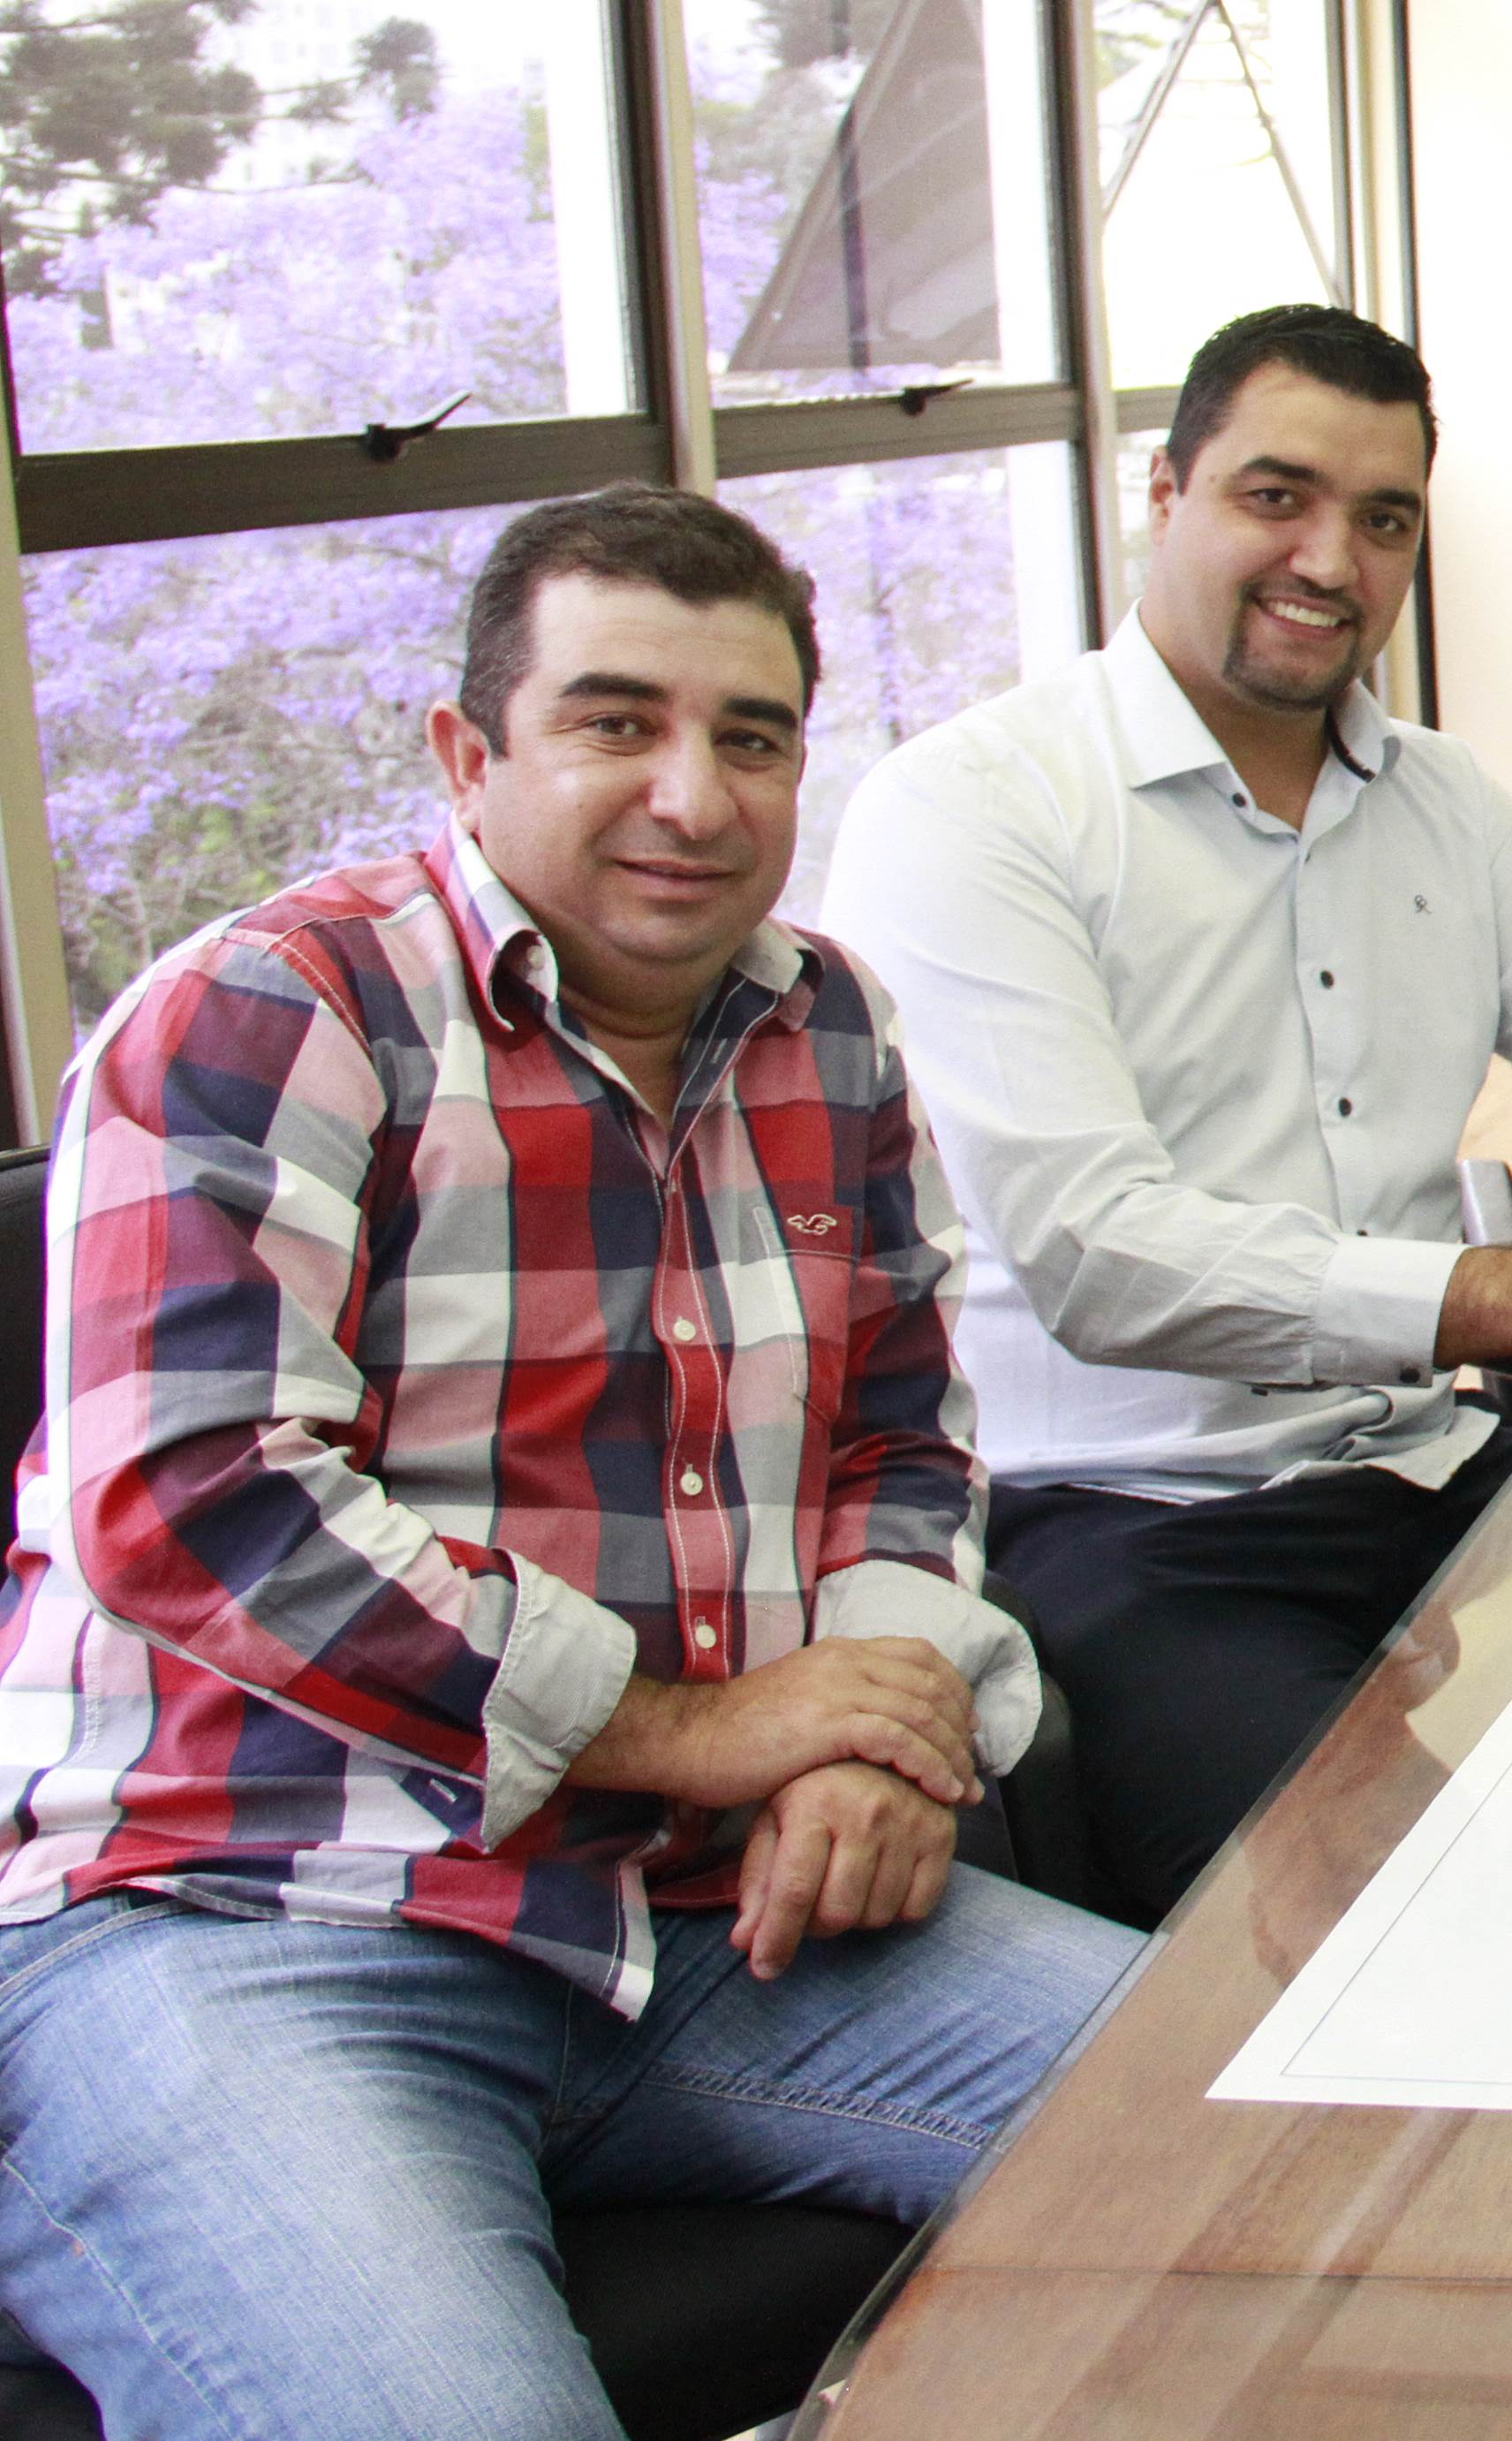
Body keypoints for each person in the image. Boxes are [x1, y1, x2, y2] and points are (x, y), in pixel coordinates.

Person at [0, 487, 1138, 2437]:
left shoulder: (826, 1025)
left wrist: (865, 1730)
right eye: (617, 721)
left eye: (751, 736)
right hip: (243, 1911)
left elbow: (898, 1432)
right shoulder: (271, 1011)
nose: (693, 796)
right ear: (469, 753)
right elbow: (196, 1502)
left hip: (701, 1915)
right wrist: (709, 1728)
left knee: (1320, 2150)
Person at [822, 307, 1512, 1924]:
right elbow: (1098, 1253)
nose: (1331, 559)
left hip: (1434, 1464)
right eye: (1277, 496)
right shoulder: (973, 809)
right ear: (1162, 493)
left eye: (1384, 519)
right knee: (1410, 1921)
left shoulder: (1441, 797)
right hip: (1131, 1526)